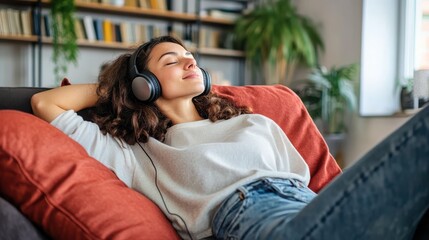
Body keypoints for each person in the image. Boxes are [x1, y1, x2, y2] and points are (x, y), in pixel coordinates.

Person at [31, 35, 429, 240]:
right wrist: (120, 88)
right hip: (251, 217)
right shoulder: (140, 153)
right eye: (171, 61)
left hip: (308, 204)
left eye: (190, 57)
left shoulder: (252, 123)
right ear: (144, 84)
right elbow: (46, 104)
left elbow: (302, 181)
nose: (189, 60)